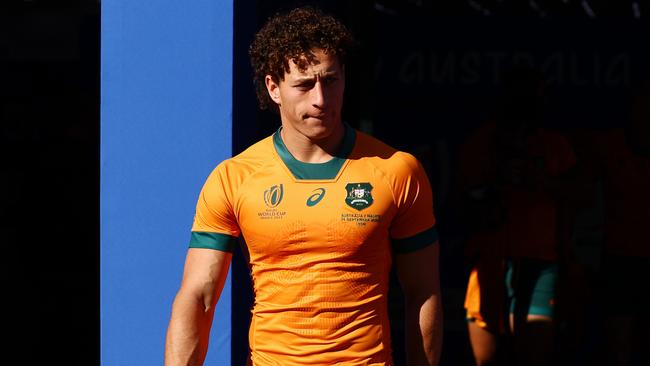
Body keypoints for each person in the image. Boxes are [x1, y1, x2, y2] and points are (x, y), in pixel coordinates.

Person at [165, 6, 442, 366]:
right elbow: (199, 295)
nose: (321, 100)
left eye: (331, 80)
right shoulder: (234, 176)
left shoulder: (397, 170)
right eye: (304, 84)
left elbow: (422, 292)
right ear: (273, 88)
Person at [456, 65, 578, 366]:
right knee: (488, 360)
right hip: (490, 260)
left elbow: (579, 198)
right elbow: (463, 200)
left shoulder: (555, 144)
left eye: (533, 93)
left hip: (541, 261)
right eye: (518, 93)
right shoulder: (482, 143)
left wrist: (543, 180)